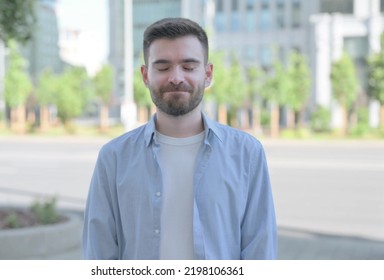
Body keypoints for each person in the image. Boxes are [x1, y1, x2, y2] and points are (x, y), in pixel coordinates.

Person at [83, 17, 277, 260]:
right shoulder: (113, 157)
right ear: (145, 75)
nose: (176, 77)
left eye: (188, 66)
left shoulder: (247, 153)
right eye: (163, 67)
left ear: (208, 74)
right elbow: (99, 251)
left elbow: (260, 247)